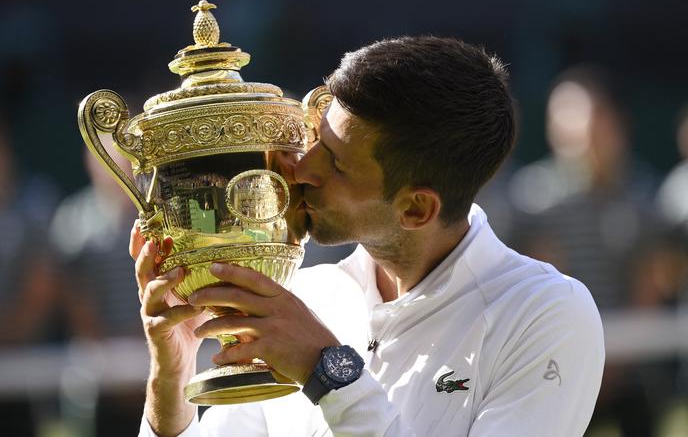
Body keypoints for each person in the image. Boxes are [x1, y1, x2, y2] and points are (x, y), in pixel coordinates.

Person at [134, 36, 604, 436]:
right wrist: (171, 377)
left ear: (416, 208)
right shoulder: (304, 295)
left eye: (335, 164)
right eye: (315, 138)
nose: (302, 167)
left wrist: (328, 371)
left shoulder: (546, 314)